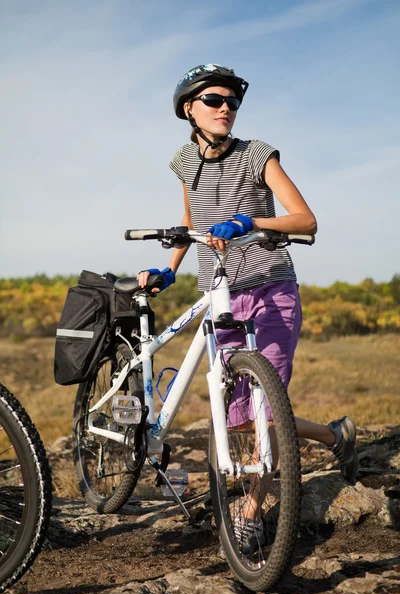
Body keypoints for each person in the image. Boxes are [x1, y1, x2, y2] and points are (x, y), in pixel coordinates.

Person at [138, 64, 359, 554]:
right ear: (188, 108)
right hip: (220, 297)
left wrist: (250, 221)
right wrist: (169, 268)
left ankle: (252, 511)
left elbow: (306, 220)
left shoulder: (258, 155)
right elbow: (190, 218)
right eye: (215, 100)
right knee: (237, 418)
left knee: (264, 407)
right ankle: (334, 434)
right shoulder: (183, 162)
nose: (226, 109)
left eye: (232, 103)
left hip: (270, 291)